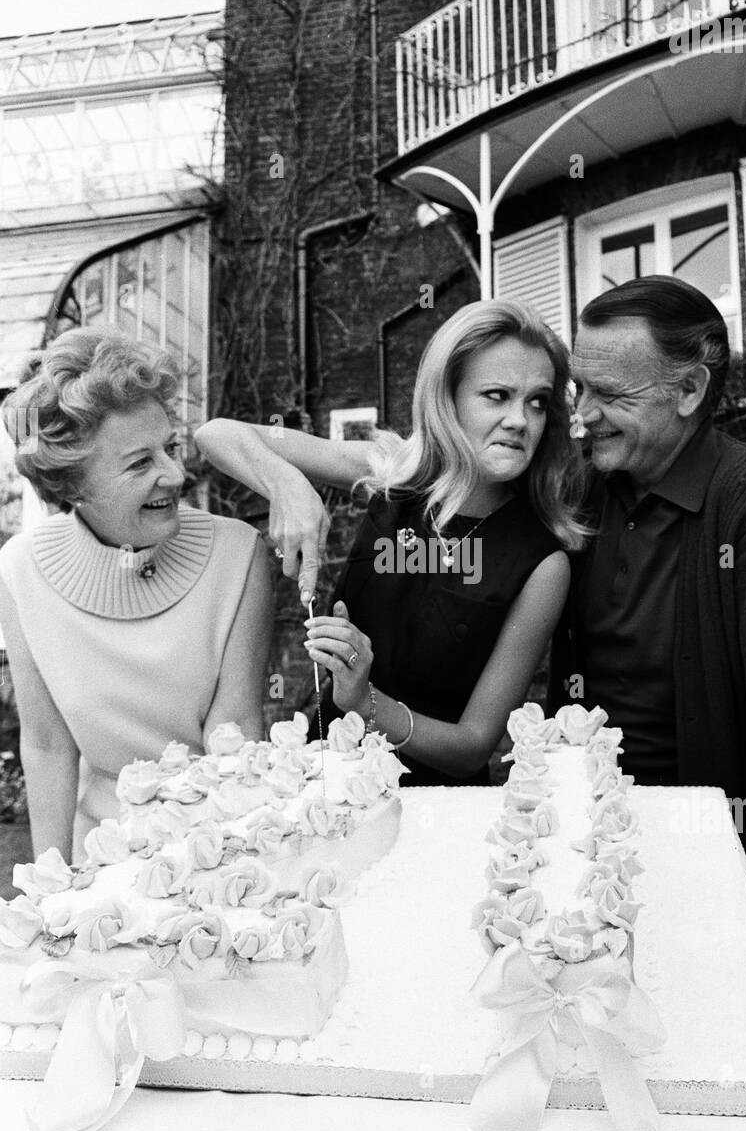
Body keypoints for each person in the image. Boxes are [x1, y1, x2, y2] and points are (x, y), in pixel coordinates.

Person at [546, 275, 746, 987]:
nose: (581, 418)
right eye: (577, 391)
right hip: (581, 845)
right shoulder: (583, 485)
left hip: (705, 854)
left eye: (612, 397)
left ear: (687, 391)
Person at [195, 299, 584, 784]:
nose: (520, 420)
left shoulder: (543, 562)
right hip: (321, 779)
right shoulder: (391, 472)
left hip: (429, 809)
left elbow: (471, 746)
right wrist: (286, 484)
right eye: (497, 395)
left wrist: (365, 701)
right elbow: (215, 434)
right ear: (448, 398)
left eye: (537, 401)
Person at [0, 329, 273, 863]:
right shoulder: (19, 571)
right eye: (139, 462)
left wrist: (227, 874)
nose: (175, 474)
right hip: (99, 857)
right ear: (72, 483)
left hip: (214, 848)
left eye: (170, 448)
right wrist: (49, 893)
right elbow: (48, 745)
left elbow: (236, 731)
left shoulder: (238, 554)